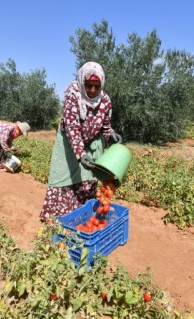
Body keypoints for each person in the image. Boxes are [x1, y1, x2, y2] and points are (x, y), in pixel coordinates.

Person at [39, 61, 122, 222]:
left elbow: (105, 127)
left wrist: (111, 135)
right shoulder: (73, 96)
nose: (92, 90)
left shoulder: (105, 101)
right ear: (82, 81)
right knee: (63, 177)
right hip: (69, 143)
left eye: (96, 86)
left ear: (102, 84)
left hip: (90, 144)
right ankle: (57, 220)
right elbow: (72, 127)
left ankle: (81, 217)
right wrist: (79, 153)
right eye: (88, 85)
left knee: (87, 179)